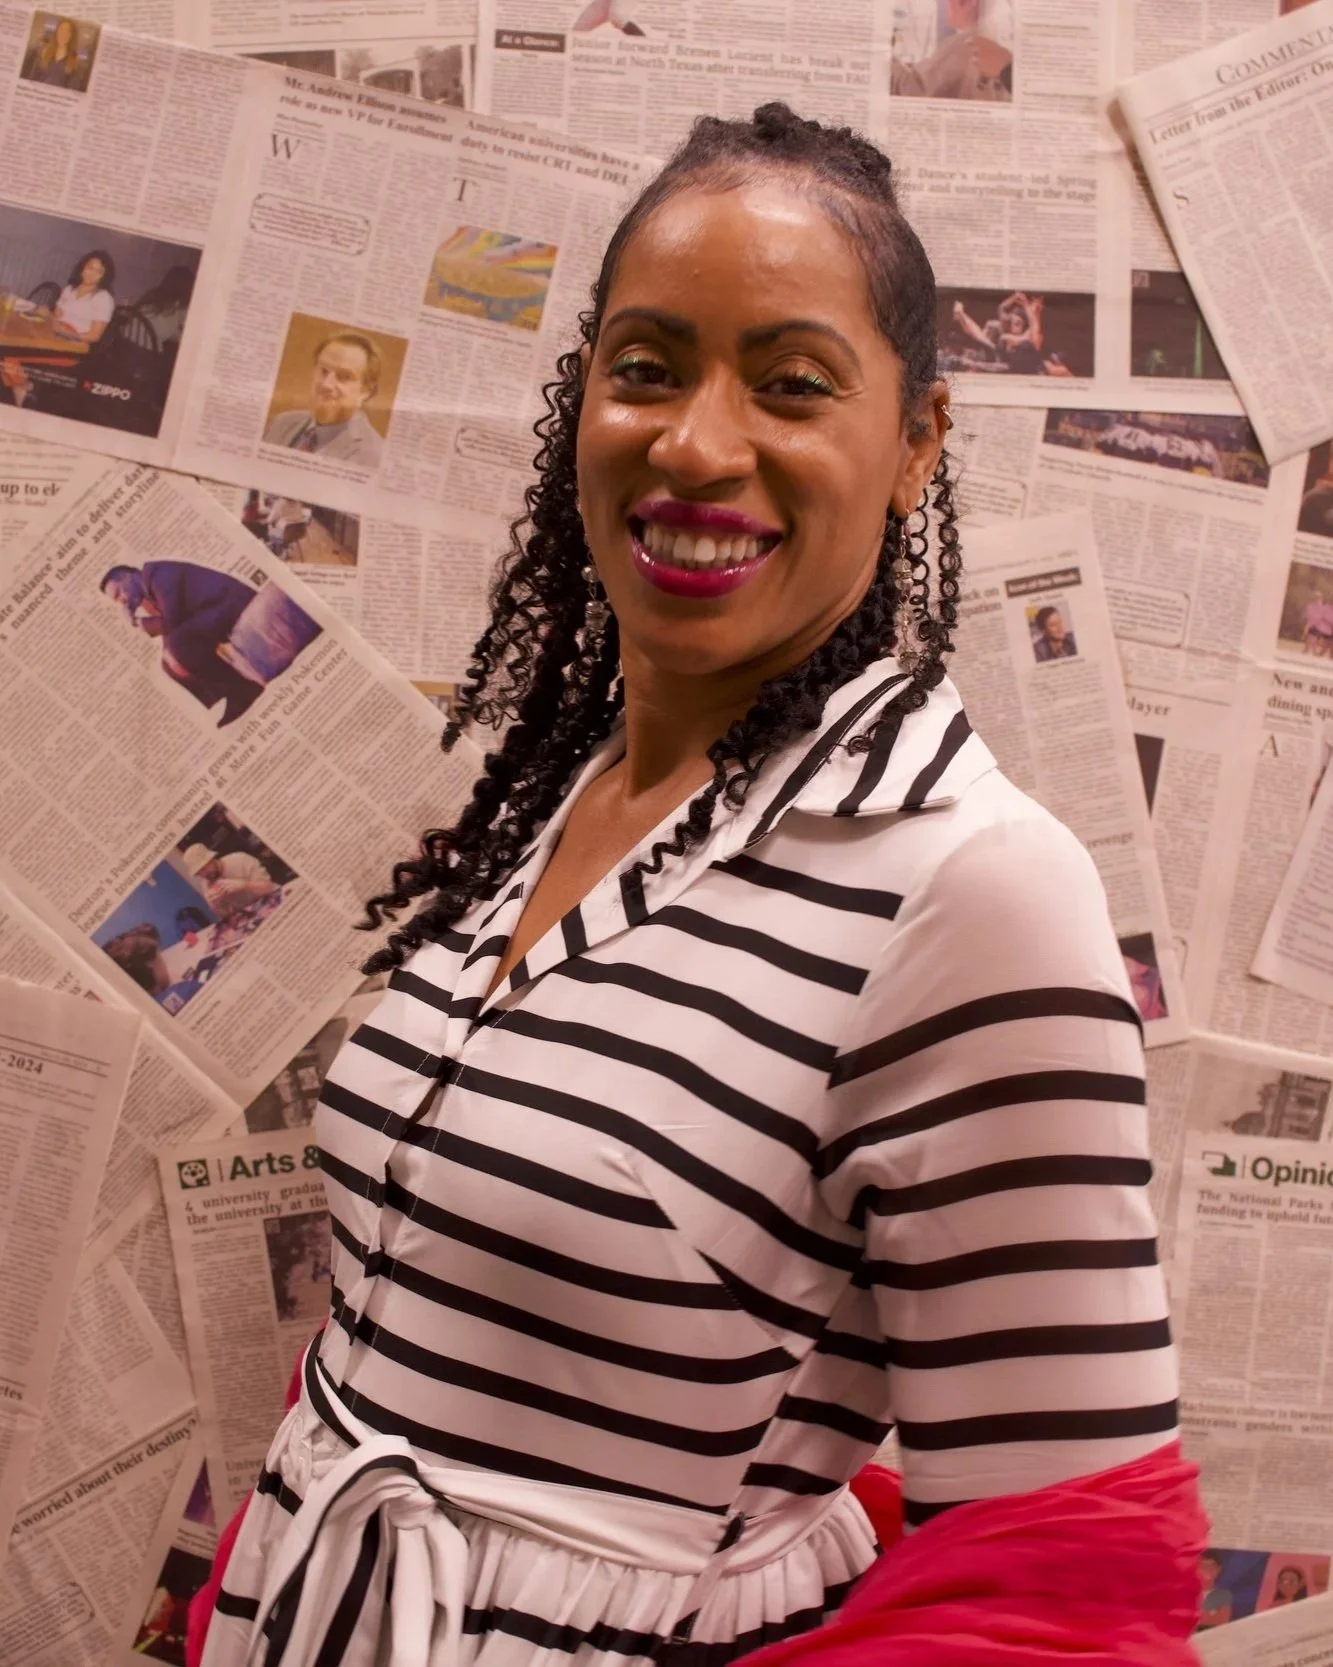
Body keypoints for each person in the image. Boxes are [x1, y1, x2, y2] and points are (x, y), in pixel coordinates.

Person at [191, 105, 1196, 1667]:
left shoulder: (974, 887)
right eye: (647, 366)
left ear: (915, 440)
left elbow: (1061, 1591)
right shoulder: (566, 797)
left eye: (790, 385)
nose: (696, 443)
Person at [98, 561, 263, 725]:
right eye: (116, 601)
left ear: (128, 577)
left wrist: (140, 623)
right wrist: (168, 654)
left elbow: (173, 620)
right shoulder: (149, 593)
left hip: (228, 604)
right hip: (210, 614)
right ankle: (230, 694)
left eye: (119, 593)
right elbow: (170, 628)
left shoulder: (158, 575)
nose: (122, 602)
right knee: (167, 664)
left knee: (181, 643)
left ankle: (243, 689)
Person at [263, 333, 385, 464]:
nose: (326, 384)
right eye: (324, 371)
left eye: (344, 376)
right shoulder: (281, 423)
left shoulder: (374, 455)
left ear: (366, 391)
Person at [181, 844, 280, 917]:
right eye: (198, 873)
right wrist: (215, 906)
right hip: (253, 915)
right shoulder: (206, 884)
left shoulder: (240, 859)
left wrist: (244, 885)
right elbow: (226, 917)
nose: (203, 875)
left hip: (274, 899)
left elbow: (269, 887)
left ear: (211, 859)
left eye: (203, 868)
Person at [51, 250, 116, 344]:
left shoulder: (103, 298)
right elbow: (57, 315)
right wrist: (48, 314)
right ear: (83, 267)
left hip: (74, 344)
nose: (92, 274)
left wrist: (66, 333)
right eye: (90, 267)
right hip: (56, 335)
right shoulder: (69, 289)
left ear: (104, 276)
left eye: (99, 272)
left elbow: (94, 336)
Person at [22, 15, 87, 88]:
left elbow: (73, 88)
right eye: (61, 30)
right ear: (57, 32)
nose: (63, 34)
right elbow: (32, 78)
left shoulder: (74, 61)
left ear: (71, 36)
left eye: (67, 31)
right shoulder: (44, 52)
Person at [1196, 1551, 1233, 1629]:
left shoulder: (1223, 1595)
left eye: (1211, 1566)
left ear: (1218, 1569)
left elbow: (1222, 1621)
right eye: (1203, 1566)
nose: (1207, 1570)